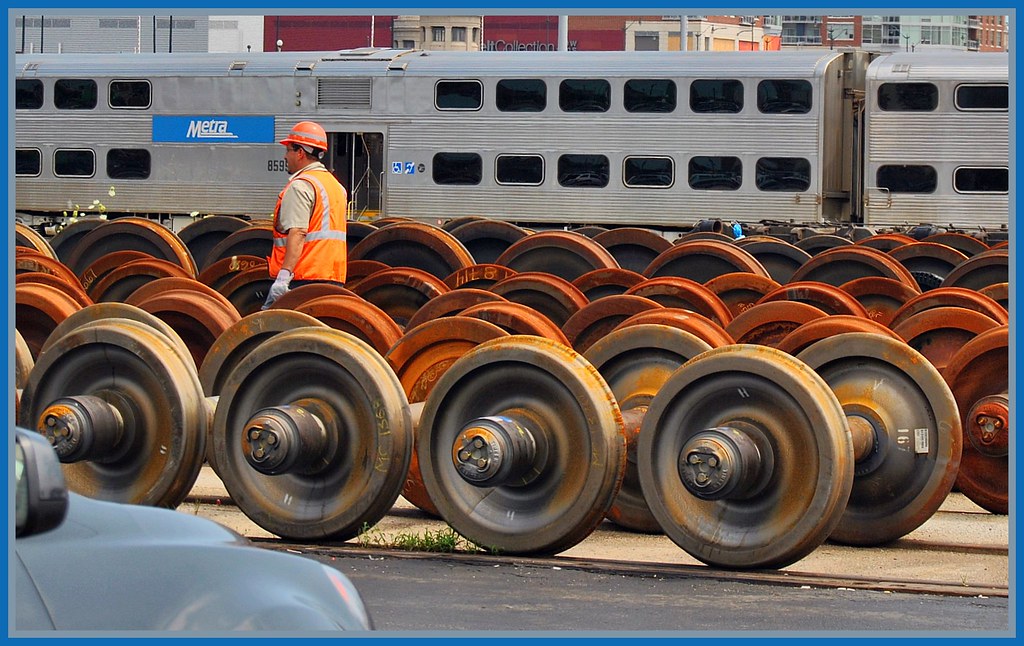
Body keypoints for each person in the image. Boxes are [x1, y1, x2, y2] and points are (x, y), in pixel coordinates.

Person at [262, 120, 348, 310]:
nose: (285, 156)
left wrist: (283, 277)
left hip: (301, 279)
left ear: (300, 152)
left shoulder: (301, 186)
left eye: (288, 150)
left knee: (266, 331)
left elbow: (299, 232)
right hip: (334, 279)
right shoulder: (336, 187)